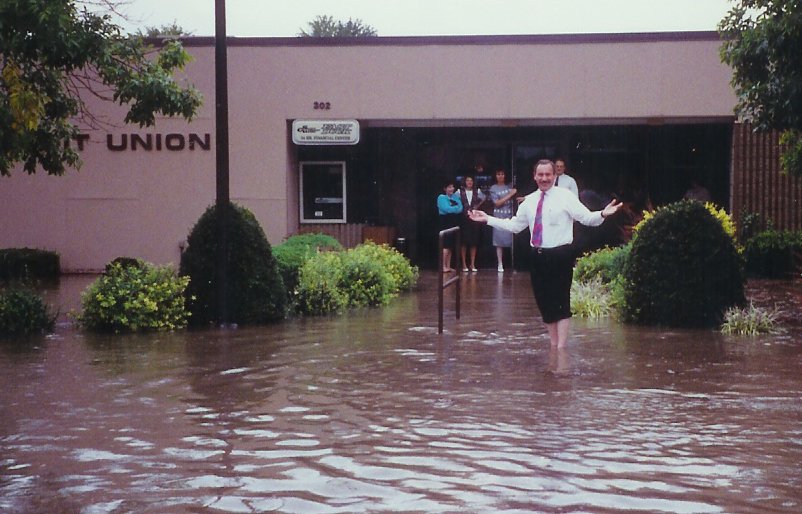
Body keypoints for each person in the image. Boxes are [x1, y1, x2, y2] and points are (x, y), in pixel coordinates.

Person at [469, 159, 622, 348]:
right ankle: (553, 345)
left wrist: (602, 214)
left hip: (561, 255)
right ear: (534, 177)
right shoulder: (529, 201)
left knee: (560, 301)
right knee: (544, 302)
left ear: (554, 176)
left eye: (548, 174)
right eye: (540, 175)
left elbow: (586, 218)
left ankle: (561, 349)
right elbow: (515, 226)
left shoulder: (565, 196)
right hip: (538, 256)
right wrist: (488, 219)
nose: (544, 178)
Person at [489, 169, 517, 272]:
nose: (500, 176)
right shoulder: (493, 188)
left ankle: (512, 263)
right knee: (498, 241)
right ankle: (500, 263)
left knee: (511, 239)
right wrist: (510, 194)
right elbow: (497, 203)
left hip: (509, 215)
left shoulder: (510, 186)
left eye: (502, 174)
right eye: (498, 174)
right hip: (499, 216)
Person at [458, 175, 486, 272]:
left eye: (471, 180)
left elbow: (484, 198)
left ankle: (472, 264)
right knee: (463, 242)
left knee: (474, 241)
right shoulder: (459, 192)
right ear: (464, 181)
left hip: (474, 218)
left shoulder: (477, 191)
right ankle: (464, 264)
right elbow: (456, 201)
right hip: (463, 218)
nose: (469, 182)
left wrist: (477, 206)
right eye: (467, 180)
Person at [437, 179, 463, 272]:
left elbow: (460, 208)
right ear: (445, 188)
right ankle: (442, 266)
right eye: (449, 187)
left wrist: (454, 208)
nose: (451, 189)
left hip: (453, 222)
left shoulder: (455, 197)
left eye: (452, 187)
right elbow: (446, 209)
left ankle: (448, 266)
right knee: (446, 245)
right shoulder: (441, 197)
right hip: (445, 221)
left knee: (451, 245)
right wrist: (455, 208)